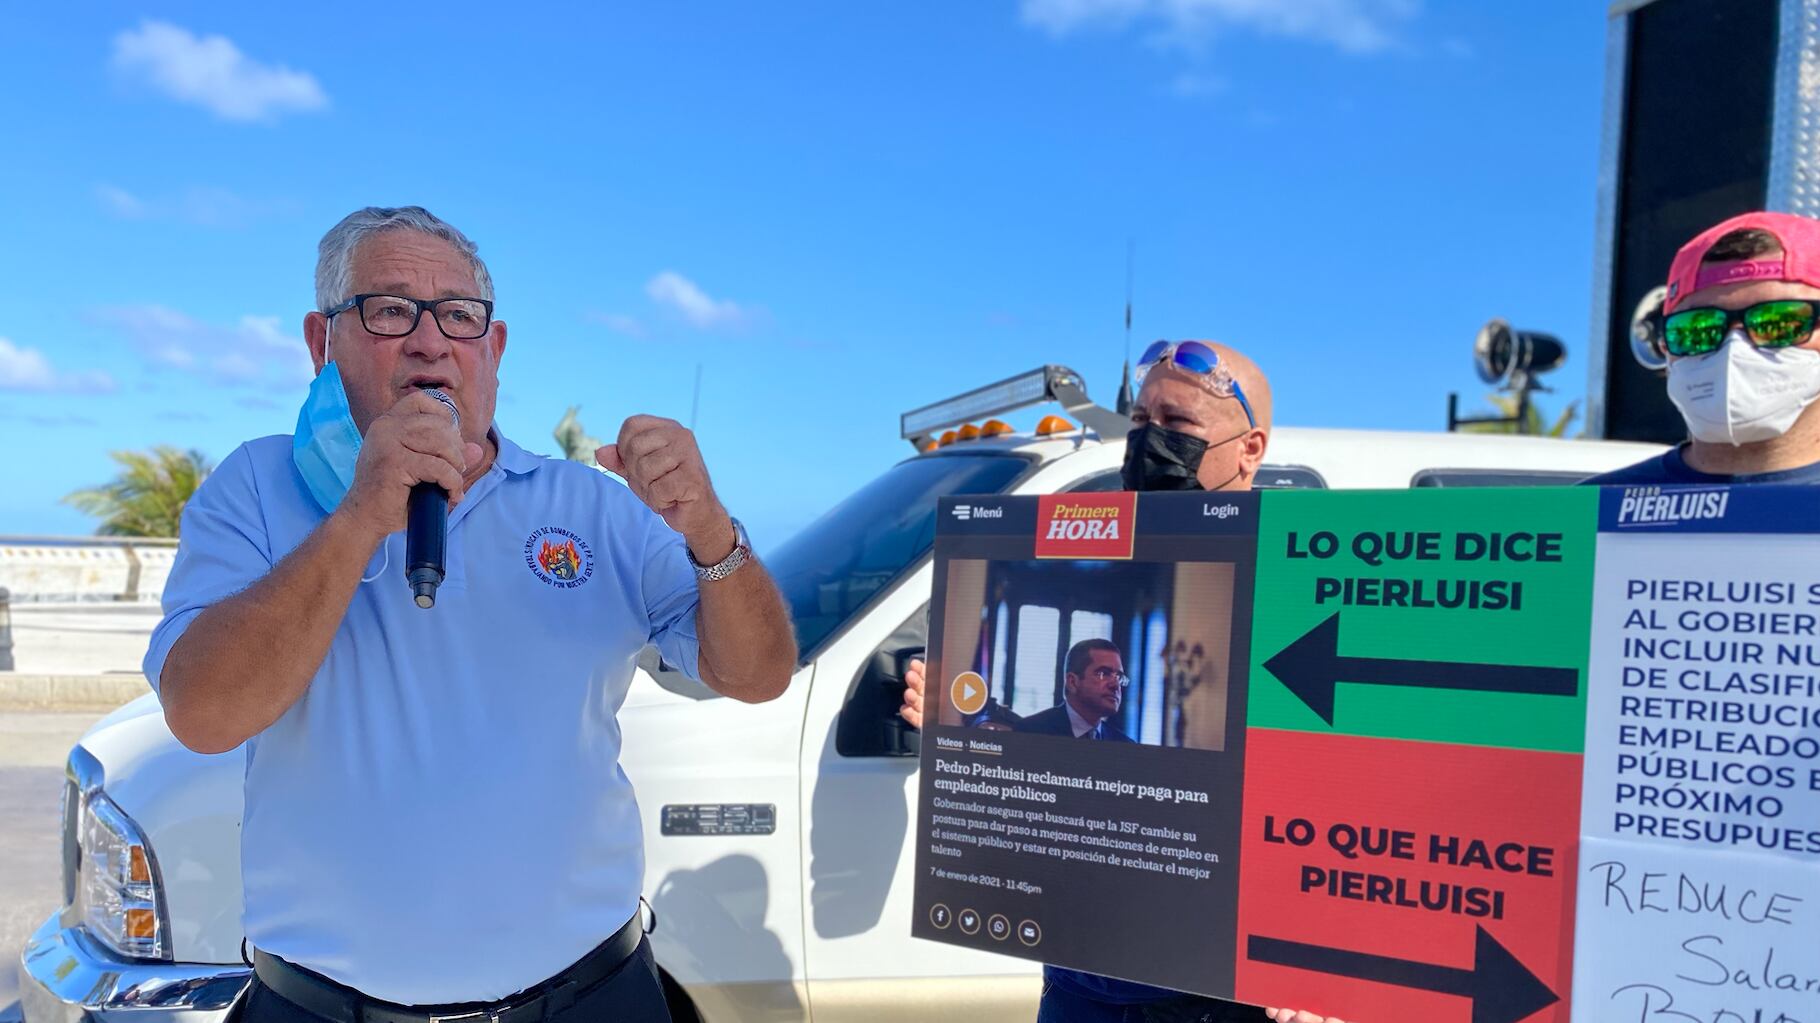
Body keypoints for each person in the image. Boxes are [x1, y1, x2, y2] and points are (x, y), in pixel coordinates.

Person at [147, 206, 796, 1022]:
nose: (430, 341)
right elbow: (204, 712)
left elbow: (758, 672)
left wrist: (709, 529)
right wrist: (358, 517)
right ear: (322, 342)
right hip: (321, 1008)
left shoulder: (592, 505)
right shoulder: (255, 486)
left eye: (460, 316)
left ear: (493, 348)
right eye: (389, 310)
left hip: (590, 999)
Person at [902, 341, 1344, 1023]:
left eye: (1178, 422)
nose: (1148, 438)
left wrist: (1322, 964)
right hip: (1084, 982)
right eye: (1140, 417)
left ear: (1250, 448)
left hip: (1226, 994)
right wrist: (951, 727)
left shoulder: (1311, 581)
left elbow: (1345, 802)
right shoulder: (1090, 540)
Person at [1590, 210, 1820, 485]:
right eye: (1698, 330)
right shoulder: (1583, 513)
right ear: (1665, 347)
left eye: (1779, 322)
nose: (1734, 349)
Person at [1016, 638, 1136, 741]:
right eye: (1104, 673)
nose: (1115, 685)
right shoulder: (1031, 732)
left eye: (1119, 677)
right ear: (1072, 682)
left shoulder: (1124, 745)